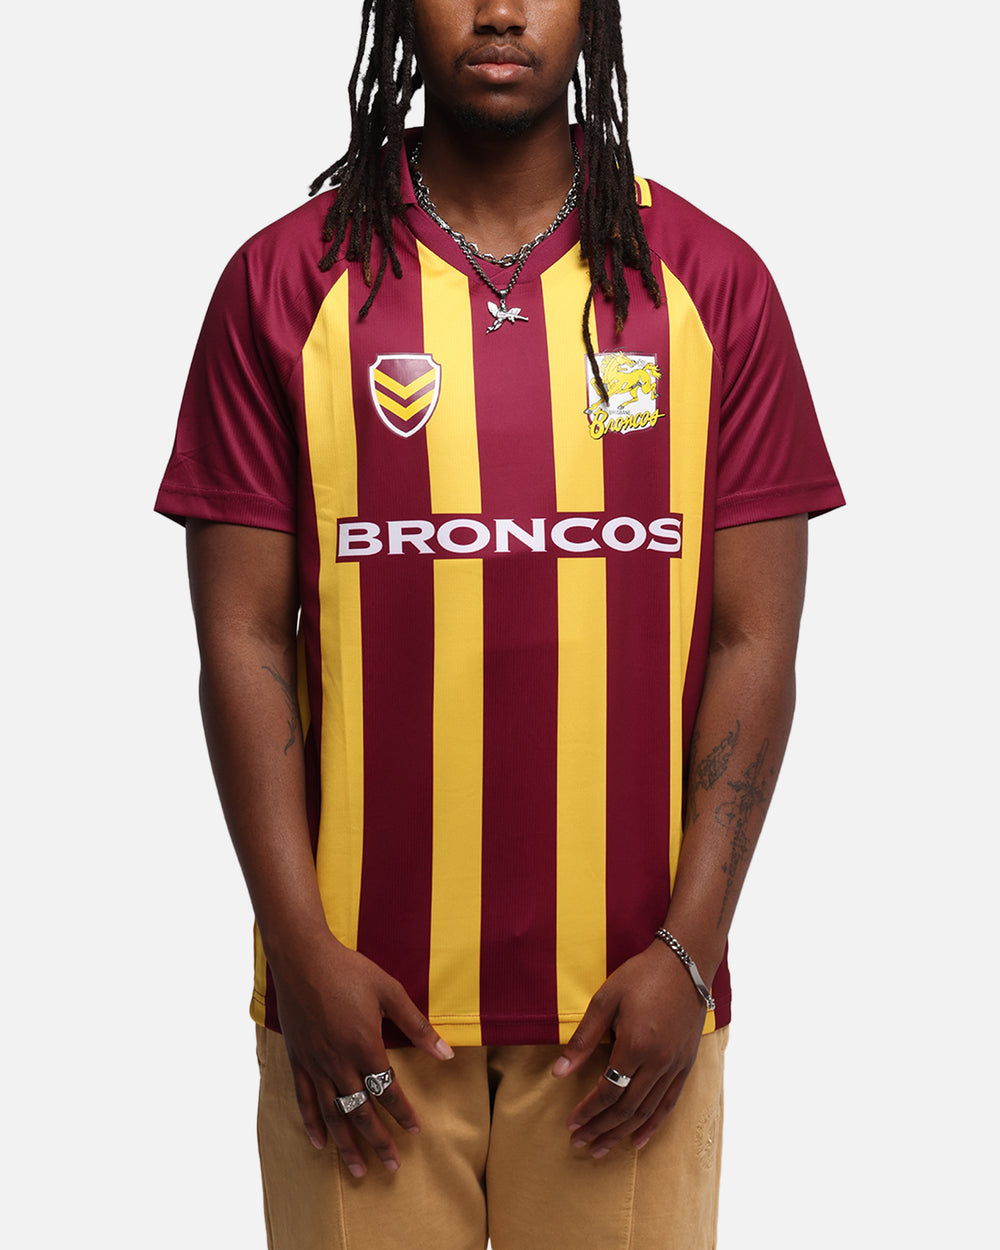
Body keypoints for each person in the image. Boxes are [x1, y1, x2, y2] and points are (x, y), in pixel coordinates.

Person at [156, 1, 844, 1246]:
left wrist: (689, 952)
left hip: (628, 1008)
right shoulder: (284, 281)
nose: (497, 9)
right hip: (357, 1007)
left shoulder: (711, 283)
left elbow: (755, 641)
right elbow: (241, 641)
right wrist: (301, 951)